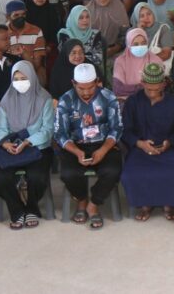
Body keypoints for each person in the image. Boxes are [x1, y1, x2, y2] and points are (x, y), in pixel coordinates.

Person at [54, 63, 124, 230]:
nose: (86, 92)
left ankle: (93, 204)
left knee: (113, 170)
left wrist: (103, 150)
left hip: (103, 143)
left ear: (97, 81)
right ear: (73, 83)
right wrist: (77, 152)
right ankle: (81, 199)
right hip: (75, 145)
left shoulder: (108, 97)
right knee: (68, 173)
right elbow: (60, 133)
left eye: (90, 87)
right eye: (81, 88)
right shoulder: (65, 100)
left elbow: (117, 128)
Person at [121, 63, 174, 221]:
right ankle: (145, 204)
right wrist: (140, 144)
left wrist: (169, 143)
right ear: (142, 83)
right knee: (130, 174)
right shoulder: (133, 102)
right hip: (140, 150)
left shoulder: (173, 103)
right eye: (149, 89)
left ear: (163, 84)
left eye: (156, 89)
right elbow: (125, 130)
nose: (152, 93)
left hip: (168, 150)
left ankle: (169, 204)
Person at [0, 61, 54, 229]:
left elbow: (48, 129)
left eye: (24, 78)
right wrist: (5, 144)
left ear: (32, 78)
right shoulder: (7, 100)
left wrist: (27, 141)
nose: (20, 83)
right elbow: (0, 128)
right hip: (12, 147)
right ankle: (17, 211)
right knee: (0, 180)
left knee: (37, 177)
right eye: (16, 79)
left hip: (37, 147)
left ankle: (31, 208)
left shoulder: (44, 99)